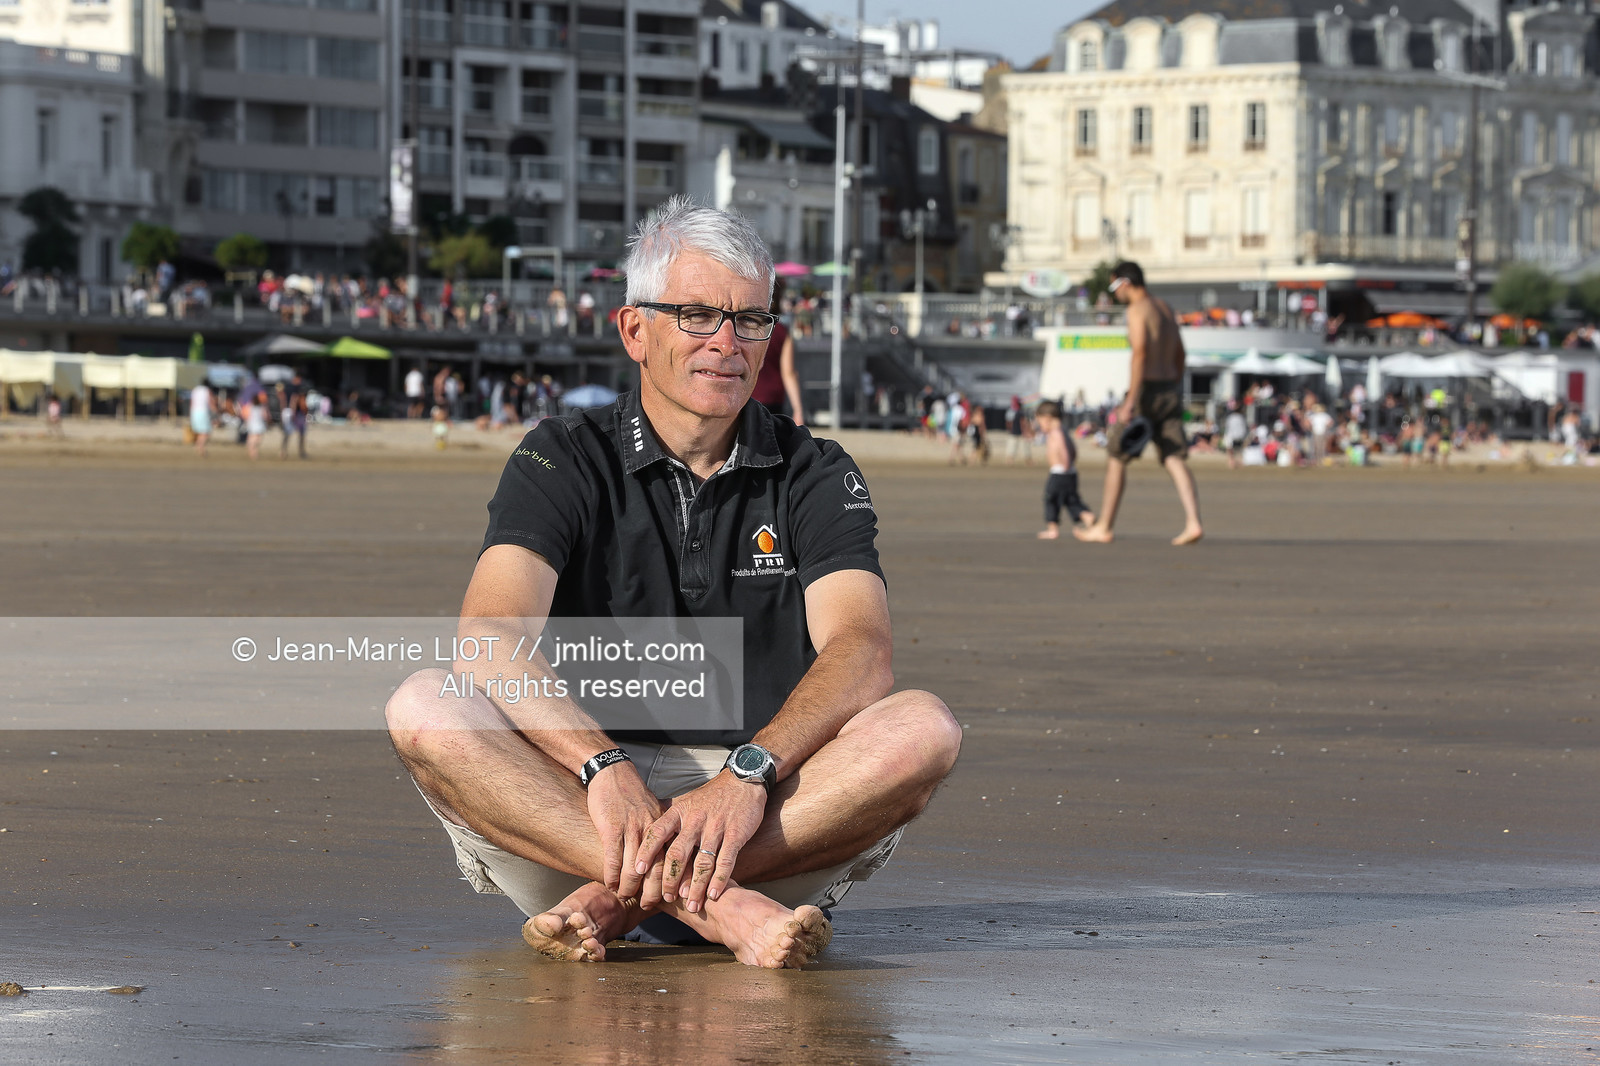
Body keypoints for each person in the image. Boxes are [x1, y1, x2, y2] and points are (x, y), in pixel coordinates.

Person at [384, 197, 960, 970]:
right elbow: (490, 635)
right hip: (578, 811)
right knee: (424, 706)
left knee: (924, 727)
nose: (727, 342)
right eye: (695, 314)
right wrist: (602, 767)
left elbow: (861, 650)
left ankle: (618, 901)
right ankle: (717, 909)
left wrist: (747, 775)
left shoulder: (814, 471)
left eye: (751, 320)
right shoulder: (562, 454)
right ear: (634, 329)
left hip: (767, 818)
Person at [1075, 261, 1204, 546]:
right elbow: (1180, 353)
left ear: (1125, 282)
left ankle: (1104, 525)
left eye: (1113, 286)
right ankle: (1193, 521)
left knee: (1117, 454)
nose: (1114, 294)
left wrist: (1131, 400)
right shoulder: (1165, 308)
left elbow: (1140, 353)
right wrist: (1174, 381)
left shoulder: (1137, 310)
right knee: (1173, 455)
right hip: (1169, 386)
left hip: (1145, 390)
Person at [749, 280, 804, 424]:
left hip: (747, 394)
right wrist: (798, 410)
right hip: (773, 398)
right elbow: (789, 373)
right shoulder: (781, 332)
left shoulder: (745, 327)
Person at [1035, 400, 1092, 539]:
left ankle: (1052, 528)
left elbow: (1065, 450)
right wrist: (1071, 463)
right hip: (1070, 472)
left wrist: (1066, 464)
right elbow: (1073, 449)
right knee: (1070, 499)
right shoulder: (1064, 431)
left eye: (1040, 422)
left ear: (1048, 419)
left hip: (1059, 472)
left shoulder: (1055, 433)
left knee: (1050, 499)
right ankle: (1086, 516)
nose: (1040, 426)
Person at [189, 381, 215, 457]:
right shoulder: (207, 390)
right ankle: (200, 448)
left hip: (194, 412)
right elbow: (210, 402)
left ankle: (198, 446)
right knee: (206, 432)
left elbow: (191, 402)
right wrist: (215, 410)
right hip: (203, 412)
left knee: (200, 431)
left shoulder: (195, 390)